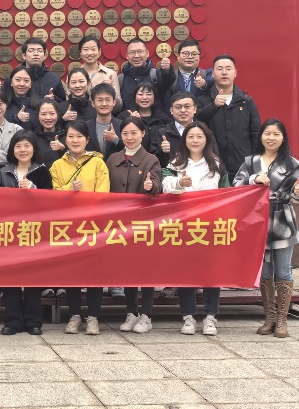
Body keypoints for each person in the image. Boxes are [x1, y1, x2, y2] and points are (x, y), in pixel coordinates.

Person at [233, 119, 299, 338]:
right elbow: (236, 185)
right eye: (267, 133)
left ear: (283, 138)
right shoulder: (251, 162)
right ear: (261, 136)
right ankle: (270, 318)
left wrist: (298, 192)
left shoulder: (292, 164)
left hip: (282, 220)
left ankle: (282, 321)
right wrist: (254, 179)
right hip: (257, 222)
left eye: (276, 134)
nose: (271, 138)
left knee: (283, 270)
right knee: (265, 272)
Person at [162, 121, 229, 336]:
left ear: (207, 140)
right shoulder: (175, 163)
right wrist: (179, 184)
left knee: (211, 271)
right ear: (184, 140)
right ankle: (188, 316)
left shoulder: (217, 165)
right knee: (186, 271)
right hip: (184, 224)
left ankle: (210, 316)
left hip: (210, 225)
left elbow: (227, 193)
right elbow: (164, 185)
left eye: (200, 136)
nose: (195, 140)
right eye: (191, 137)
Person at [50, 121, 109, 335]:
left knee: (94, 273)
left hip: (93, 225)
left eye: (79, 136)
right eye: (71, 136)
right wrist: (70, 189)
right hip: (68, 227)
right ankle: (74, 315)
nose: (75, 140)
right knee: (72, 273)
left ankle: (93, 316)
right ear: (65, 139)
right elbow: (53, 195)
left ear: (87, 139)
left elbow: (103, 194)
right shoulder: (57, 165)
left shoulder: (98, 163)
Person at [107, 117, 162, 334]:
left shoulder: (151, 160)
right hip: (119, 223)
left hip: (143, 224)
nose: (129, 138)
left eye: (134, 133)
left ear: (143, 134)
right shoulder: (113, 159)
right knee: (127, 268)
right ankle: (131, 312)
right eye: (125, 134)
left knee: (145, 268)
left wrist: (150, 186)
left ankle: (146, 315)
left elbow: (157, 183)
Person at [0, 131, 51, 335]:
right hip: (9, 232)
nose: (22, 150)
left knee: (33, 278)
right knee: (10, 278)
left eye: (27, 146)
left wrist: (33, 188)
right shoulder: (3, 172)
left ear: (34, 149)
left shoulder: (42, 171)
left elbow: (52, 201)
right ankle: (13, 321)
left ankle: (34, 321)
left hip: (34, 232)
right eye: (18, 146)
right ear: (12, 150)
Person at [197, 55, 262, 180]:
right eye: (219, 69)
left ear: (235, 73)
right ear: (213, 74)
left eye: (228, 68)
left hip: (242, 164)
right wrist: (214, 106)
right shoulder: (203, 101)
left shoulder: (246, 101)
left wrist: (253, 160)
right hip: (212, 165)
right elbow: (196, 124)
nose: (224, 72)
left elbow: (256, 133)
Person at [118, 40, 175, 113]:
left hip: (154, 119)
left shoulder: (156, 75)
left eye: (140, 51)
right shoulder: (121, 79)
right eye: (132, 52)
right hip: (129, 119)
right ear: (127, 56)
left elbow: (169, 81)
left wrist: (167, 70)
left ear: (147, 53)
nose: (136, 56)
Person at [119, 82, 171, 150]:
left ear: (155, 97)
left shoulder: (163, 119)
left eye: (149, 94)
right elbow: (119, 141)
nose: (144, 97)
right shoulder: (124, 116)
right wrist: (131, 121)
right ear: (134, 97)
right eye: (140, 94)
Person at [153, 92, 197, 166]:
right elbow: (154, 163)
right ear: (171, 110)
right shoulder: (163, 133)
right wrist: (161, 151)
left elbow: (213, 157)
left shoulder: (204, 132)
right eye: (178, 107)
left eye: (187, 106)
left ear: (195, 109)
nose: (183, 110)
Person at [167, 40, 213, 106]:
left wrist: (204, 84)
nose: (190, 57)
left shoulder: (206, 74)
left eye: (194, 54)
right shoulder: (170, 77)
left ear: (199, 57)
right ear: (178, 56)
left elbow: (213, 80)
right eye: (185, 53)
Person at [76, 35, 121, 102]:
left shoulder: (110, 74)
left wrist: (111, 89)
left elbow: (118, 106)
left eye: (93, 49)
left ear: (99, 52)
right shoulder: (74, 76)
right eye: (85, 49)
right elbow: (68, 102)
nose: (89, 53)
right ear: (80, 52)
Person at [86, 83, 123, 158]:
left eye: (108, 100)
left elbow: (130, 148)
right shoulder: (86, 126)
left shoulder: (122, 125)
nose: (104, 104)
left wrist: (115, 139)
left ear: (114, 102)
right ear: (93, 103)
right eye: (100, 100)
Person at [34, 100, 66, 165]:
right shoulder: (32, 138)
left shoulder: (66, 137)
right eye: (43, 114)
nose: (48, 118)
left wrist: (63, 150)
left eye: (52, 113)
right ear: (38, 116)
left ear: (57, 115)